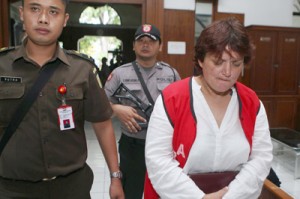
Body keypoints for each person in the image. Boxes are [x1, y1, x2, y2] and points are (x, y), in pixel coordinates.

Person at [0, 0, 124, 199]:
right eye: (34, 9)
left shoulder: (82, 69)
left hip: (71, 188)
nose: (43, 18)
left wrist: (115, 176)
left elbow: (102, 124)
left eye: (53, 12)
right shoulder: (2, 65)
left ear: (65, 19)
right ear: (22, 13)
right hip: (12, 189)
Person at [144, 17, 273, 199]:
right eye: (218, 62)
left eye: (236, 64)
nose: (227, 72)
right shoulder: (172, 98)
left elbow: (261, 158)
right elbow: (158, 160)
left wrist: (230, 196)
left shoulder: (251, 102)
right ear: (201, 60)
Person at [104, 24, 181, 199]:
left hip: (164, 145)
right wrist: (116, 108)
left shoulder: (171, 74)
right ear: (133, 45)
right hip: (132, 145)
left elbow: (182, 106)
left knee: (165, 190)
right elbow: (99, 107)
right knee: (131, 191)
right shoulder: (119, 75)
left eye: (151, 41)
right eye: (141, 41)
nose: (145, 44)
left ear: (160, 46)